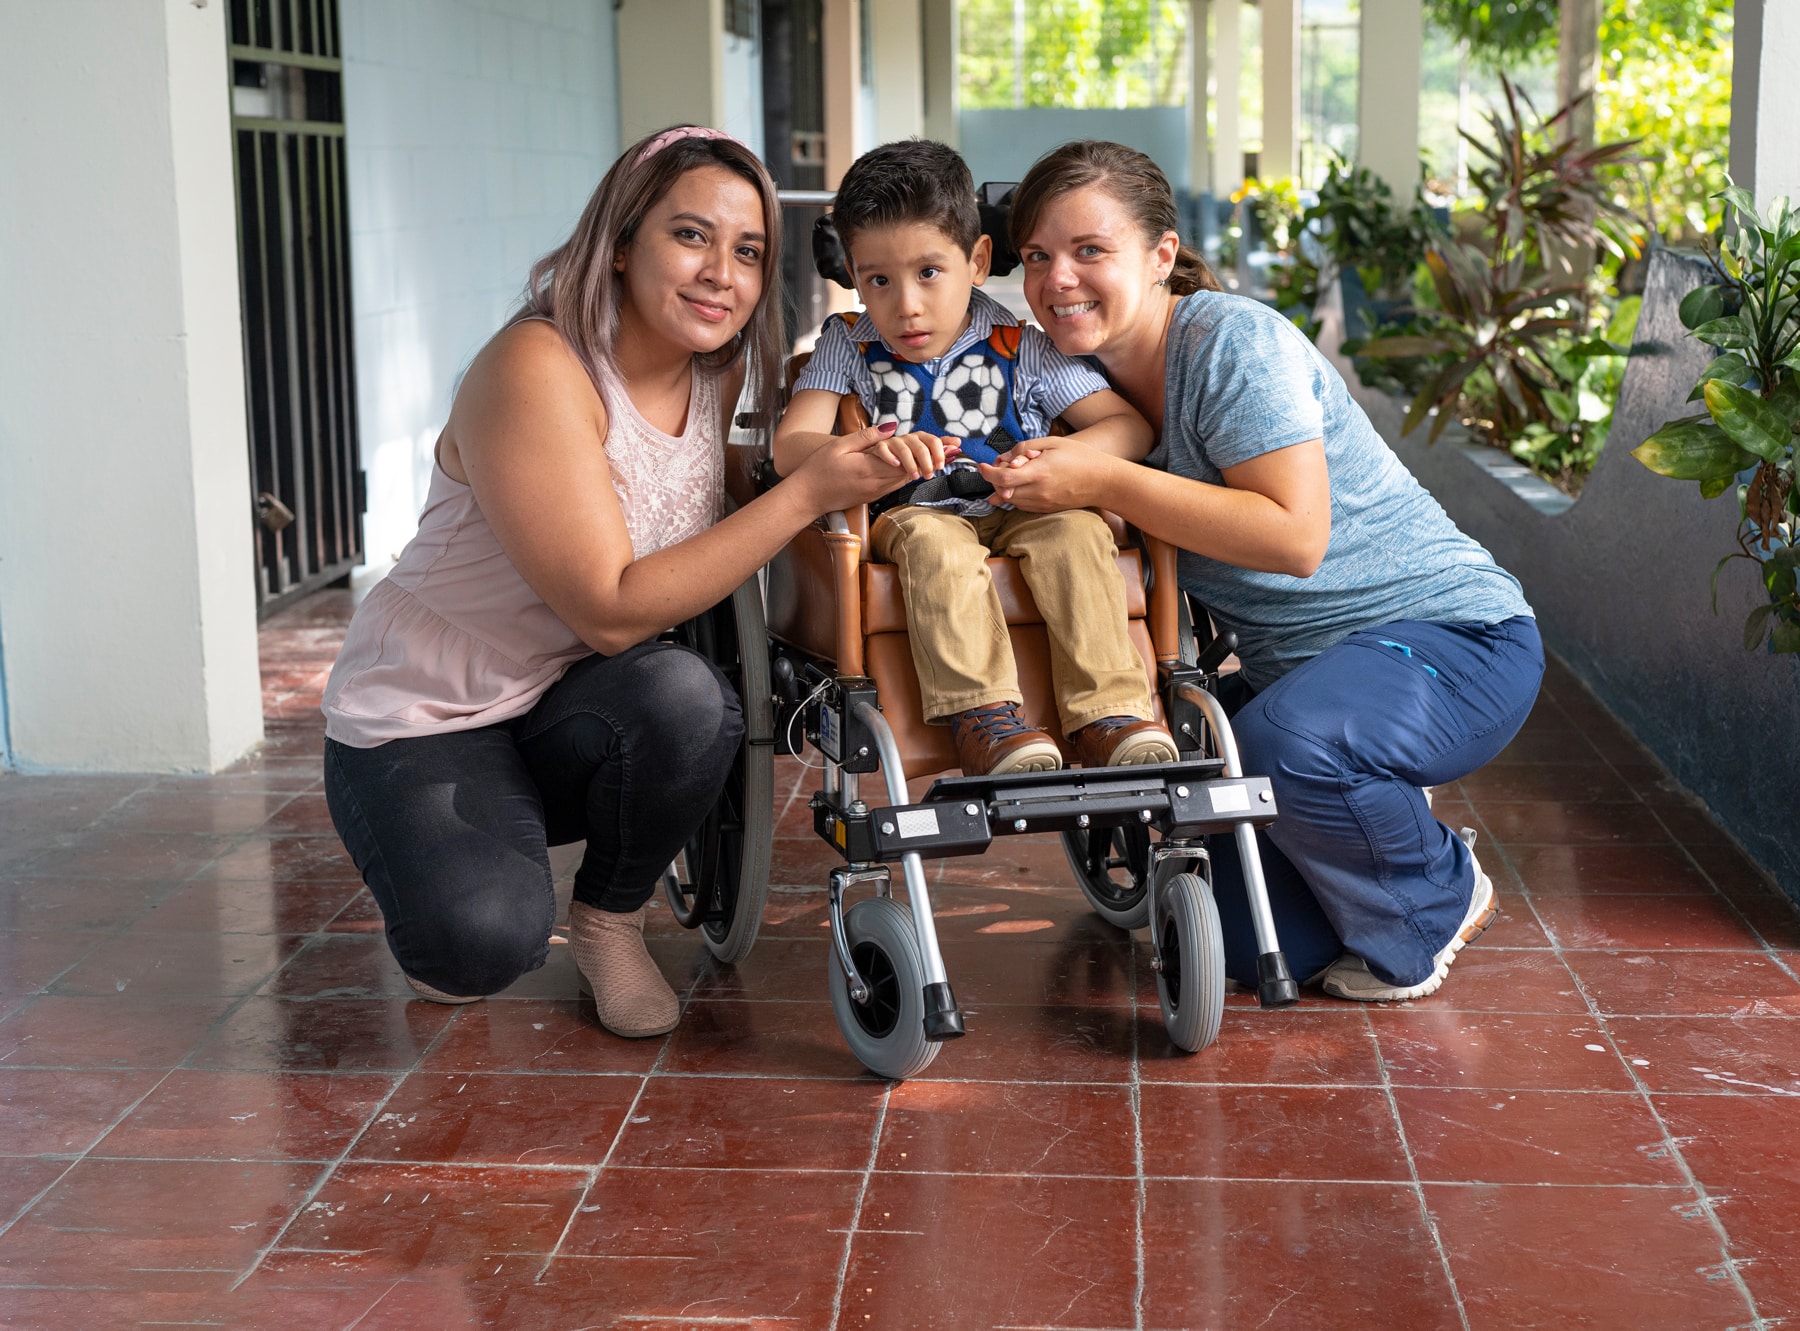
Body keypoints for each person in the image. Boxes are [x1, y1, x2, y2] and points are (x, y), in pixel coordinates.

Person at [320, 126, 908, 1037]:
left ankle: (608, 920)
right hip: (425, 714)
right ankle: (435, 857)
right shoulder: (536, 367)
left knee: (687, 696)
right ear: (623, 241)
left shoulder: (710, 374)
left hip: (567, 708)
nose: (722, 272)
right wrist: (810, 492)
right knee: (481, 944)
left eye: (748, 251)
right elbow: (608, 608)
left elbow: (745, 491)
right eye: (691, 235)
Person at [983, 140, 1544, 1002]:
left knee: (1291, 750)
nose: (1059, 279)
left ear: (1162, 255)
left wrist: (1102, 478)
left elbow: (1295, 538)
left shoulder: (1230, 343)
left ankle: (1440, 885)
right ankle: (1364, 826)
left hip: (1457, 640)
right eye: (1037, 257)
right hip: (1311, 672)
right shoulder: (1081, 384)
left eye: (1090, 250)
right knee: (1252, 944)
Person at [773, 139, 1178, 777]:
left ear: (978, 260)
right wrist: (870, 450)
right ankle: (984, 722)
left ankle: (1112, 715)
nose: (905, 304)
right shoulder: (847, 344)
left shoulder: (1024, 346)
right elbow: (792, 444)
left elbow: (1125, 426)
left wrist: (1061, 457)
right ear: (854, 273)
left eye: (929, 272)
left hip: (1023, 504)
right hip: (914, 515)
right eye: (878, 279)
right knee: (939, 546)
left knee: (1077, 532)